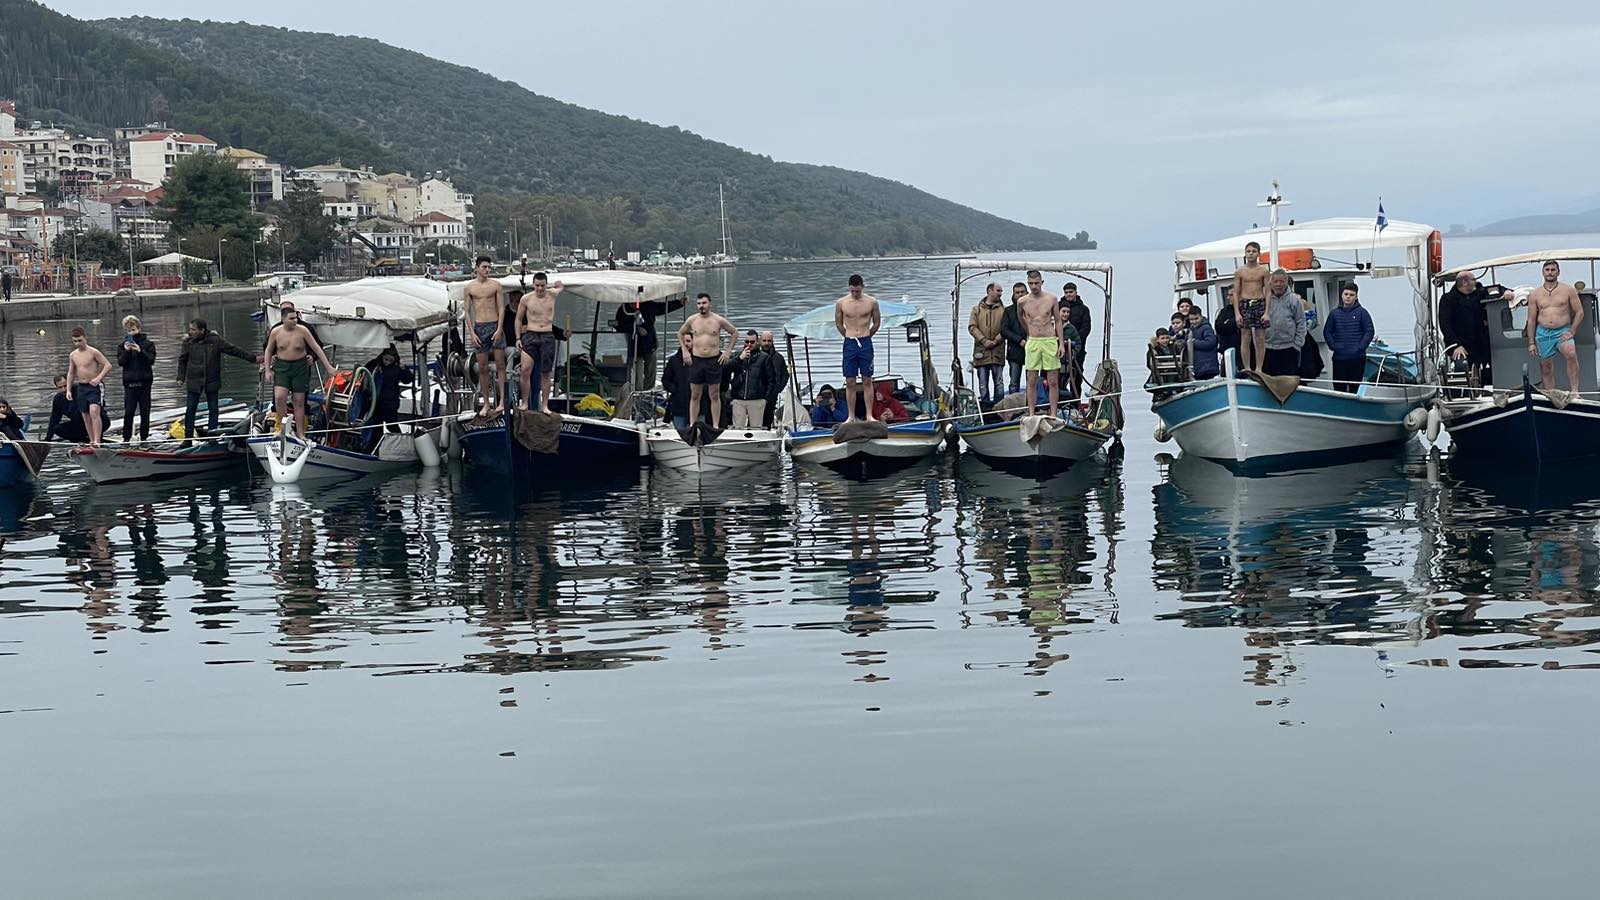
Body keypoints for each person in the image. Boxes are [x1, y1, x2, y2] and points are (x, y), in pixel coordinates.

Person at [177, 318, 261, 443]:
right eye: (190, 329)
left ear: (202, 330)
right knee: (190, 409)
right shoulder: (188, 342)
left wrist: (254, 359)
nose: (190, 332)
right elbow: (182, 360)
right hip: (194, 380)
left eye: (193, 330)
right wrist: (180, 377)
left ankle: (212, 436)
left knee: (213, 409)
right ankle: (187, 439)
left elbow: (234, 350)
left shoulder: (215, 341)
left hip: (211, 379)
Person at [265, 306, 334, 438]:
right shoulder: (276, 331)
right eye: (291, 318)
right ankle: (283, 428)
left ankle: (301, 433)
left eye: (296, 318)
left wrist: (328, 367)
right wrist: (268, 369)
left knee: (299, 401)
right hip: (282, 367)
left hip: (300, 367)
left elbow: (317, 348)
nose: (295, 321)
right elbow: (268, 350)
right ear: (283, 319)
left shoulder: (303, 330)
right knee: (279, 397)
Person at [677, 292, 740, 430]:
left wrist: (728, 352)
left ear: (710, 304)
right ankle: (693, 424)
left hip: (713, 360)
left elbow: (735, 333)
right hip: (697, 360)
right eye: (699, 303)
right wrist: (685, 351)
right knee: (695, 394)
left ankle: (715, 426)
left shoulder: (718, 320)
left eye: (704, 303)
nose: (701, 306)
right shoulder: (692, 320)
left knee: (714, 395)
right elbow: (680, 333)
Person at [1527, 259, 1585, 391]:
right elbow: (1531, 319)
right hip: (1543, 333)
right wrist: (1531, 343)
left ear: (1558, 272)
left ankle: (1575, 391)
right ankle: (1551, 394)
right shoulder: (1535, 294)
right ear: (1542, 272)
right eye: (1547, 270)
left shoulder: (1568, 290)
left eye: (1553, 270)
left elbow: (1580, 312)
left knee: (1571, 353)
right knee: (1546, 367)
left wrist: (1572, 331)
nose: (1550, 273)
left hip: (1562, 331)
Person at [515, 271, 565, 414]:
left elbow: (560, 288)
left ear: (546, 285)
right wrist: (518, 338)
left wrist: (559, 285)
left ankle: (545, 406)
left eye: (542, 286)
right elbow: (518, 319)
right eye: (537, 286)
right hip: (531, 334)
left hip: (547, 335)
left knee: (545, 372)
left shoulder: (552, 294)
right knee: (525, 369)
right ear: (533, 285)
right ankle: (525, 402)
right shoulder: (526, 299)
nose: (540, 289)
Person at [462, 255, 506, 415]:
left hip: (494, 324)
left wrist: (499, 328)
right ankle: (486, 403)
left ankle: (502, 401)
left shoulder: (495, 285)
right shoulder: (469, 288)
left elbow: (501, 308)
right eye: (484, 267)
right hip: (480, 326)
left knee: (500, 364)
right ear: (477, 268)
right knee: (482, 367)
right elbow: (467, 312)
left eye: (489, 267)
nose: (487, 270)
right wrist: (472, 333)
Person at [834, 274, 882, 423]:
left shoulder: (871, 302)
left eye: (858, 291)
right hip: (850, 342)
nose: (855, 294)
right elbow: (839, 324)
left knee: (867, 379)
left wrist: (867, 335)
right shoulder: (841, 303)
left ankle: (869, 415)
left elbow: (877, 323)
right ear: (849, 288)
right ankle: (851, 416)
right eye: (853, 291)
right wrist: (848, 336)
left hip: (865, 341)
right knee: (850, 380)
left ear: (862, 287)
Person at [1018, 269, 1065, 417]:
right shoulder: (1022, 301)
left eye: (1036, 283)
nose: (1034, 286)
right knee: (1031, 379)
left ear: (1041, 282)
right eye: (1031, 283)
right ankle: (1031, 413)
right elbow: (1021, 317)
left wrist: (1061, 343)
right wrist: (1028, 330)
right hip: (1034, 341)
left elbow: (1058, 321)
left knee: (1053, 380)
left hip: (1049, 340)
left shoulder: (1051, 299)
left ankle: (1053, 413)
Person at [1439, 270, 1495, 385]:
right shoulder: (1448, 299)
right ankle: (1462, 391)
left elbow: (1495, 291)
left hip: (1481, 343)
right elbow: (1445, 325)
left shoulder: (1478, 294)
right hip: (1461, 344)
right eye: (1473, 280)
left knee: (1495, 363)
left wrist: (1507, 292)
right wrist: (1456, 344)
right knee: (1461, 365)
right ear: (1465, 282)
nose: (1476, 282)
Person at [65, 326, 112, 447]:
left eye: (80, 340)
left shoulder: (93, 352)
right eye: (75, 341)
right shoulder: (73, 355)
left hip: (94, 386)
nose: (78, 343)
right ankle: (91, 440)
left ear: (85, 338)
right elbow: (71, 373)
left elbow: (107, 365)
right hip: (82, 387)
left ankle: (97, 440)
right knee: (85, 415)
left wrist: (98, 378)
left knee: (94, 411)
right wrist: (68, 390)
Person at [1324, 284, 1375, 393]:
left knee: (1354, 388)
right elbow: (1327, 331)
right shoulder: (1334, 314)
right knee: (1339, 388)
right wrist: (1333, 346)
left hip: (1357, 358)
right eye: (1346, 294)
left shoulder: (1362, 313)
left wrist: (1360, 347)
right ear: (1342, 295)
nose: (1348, 297)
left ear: (1356, 297)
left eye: (1351, 295)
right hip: (1339, 358)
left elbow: (1369, 331)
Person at [117, 314, 157, 442]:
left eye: (133, 330)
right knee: (129, 412)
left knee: (145, 412)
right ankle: (126, 438)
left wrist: (140, 351)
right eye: (129, 330)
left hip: (145, 382)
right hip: (130, 383)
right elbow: (121, 362)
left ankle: (144, 437)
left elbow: (151, 360)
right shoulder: (122, 346)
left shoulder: (148, 344)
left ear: (139, 328)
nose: (131, 333)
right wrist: (127, 351)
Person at [1232, 241, 1269, 372]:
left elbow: (1268, 292)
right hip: (1245, 304)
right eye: (1248, 251)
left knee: (1260, 338)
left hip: (1259, 302)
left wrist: (1267, 312)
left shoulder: (1264, 271)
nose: (1251, 254)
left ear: (1258, 253)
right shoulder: (1240, 271)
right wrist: (1237, 313)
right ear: (1245, 253)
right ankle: (1247, 367)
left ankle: (1259, 368)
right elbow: (1236, 292)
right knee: (1245, 337)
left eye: (1253, 251)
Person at [1261, 270, 1306, 377]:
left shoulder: (1294, 300)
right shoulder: (1263, 300)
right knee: (1269, 381)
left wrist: (1297, 345)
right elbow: (1256, 324)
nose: (1278, 284)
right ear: (1271, 282)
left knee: (1289, 381)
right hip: (1267, 349)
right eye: (1276, 281)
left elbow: (1301, 322)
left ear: (1286, 282)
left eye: (1281, 281)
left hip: (1289, 348)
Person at [969, 282, 1007, 404]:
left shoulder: (1004, 310)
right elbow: (972, 327)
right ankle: (985, 405)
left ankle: (999, 405)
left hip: (998, 351)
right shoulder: (977, 309)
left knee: (999, 382)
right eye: (998, 290)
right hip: (981, 352)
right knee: (982, 383)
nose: (1000, 293)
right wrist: (983, 340)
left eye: (1001, 291)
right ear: (990, 291)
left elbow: (1006, 328)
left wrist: (996, 341)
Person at [362, 345, 414, 432]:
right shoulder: (375, 364)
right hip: (376, 402)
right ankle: (377, 440)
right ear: (382, 356)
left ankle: (399, 438)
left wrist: (404, 368)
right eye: (386, 359)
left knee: (392, 425)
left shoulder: (397, 367)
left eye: (391, 360)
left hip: (390, 404)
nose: (388, 362)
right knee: (376, 427)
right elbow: (363, 372)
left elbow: (408, 380)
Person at [613, 296, 660, 391]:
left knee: (651, 370)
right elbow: (619, 326)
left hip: (650, 344)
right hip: (634, 346)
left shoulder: (648, 305)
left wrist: (678, 303)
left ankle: (649, 391)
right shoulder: (623, 310)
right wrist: (636, 329)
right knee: (637, 372)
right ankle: (638, 392)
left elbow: (662, 307)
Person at [727, 330, 770, 428]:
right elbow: (727, 369)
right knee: (737, 429)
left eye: (752, 342)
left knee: (756, 429)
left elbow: (771, 379)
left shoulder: (764, 357)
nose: (749, 344)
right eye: (747, 342)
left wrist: (766, 398)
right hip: (738, 397)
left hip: (757, 398)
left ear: (757, 342)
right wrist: (739, 359)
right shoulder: (737, 355)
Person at [1060, 282, 1092, 397]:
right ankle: (1060, 401)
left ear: (1076, 292)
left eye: (1071, 292)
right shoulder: (1058, 307)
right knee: (1060, 377)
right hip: (1060, 351)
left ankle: (1075, 402)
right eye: (1066, 292)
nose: (1068, 294)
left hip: (1077, 350)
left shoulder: (1084, 309)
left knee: (1077, 377)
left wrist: (1074, 342)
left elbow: (1086, 328)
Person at [662, 332, 696, 430]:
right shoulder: (673, 361)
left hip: (698, 406)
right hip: (678, 406)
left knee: (697, 433)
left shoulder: (700, 360)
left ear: (694, 342)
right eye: (683, 341)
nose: (686, 344)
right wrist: (675, 390)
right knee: (680, 432)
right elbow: (665, 380)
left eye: (688, 341)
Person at [1000, 282, 1028, 395]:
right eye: (1017, 292)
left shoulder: (1033, 308)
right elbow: (1004, 330)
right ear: (1013, 294)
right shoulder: (1009, 311)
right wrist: (1019, 340)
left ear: (1027, 293)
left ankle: (1031, 403)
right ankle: (1013, 403)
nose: (1020, 294)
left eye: (1022, 292)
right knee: (1014, 382)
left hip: (1031, 348)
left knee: (1032, 381)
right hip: (1014, 350)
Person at [758, 331, 788, 429]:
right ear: (760, 341)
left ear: (772, 342)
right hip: (756, 395)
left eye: (769, 341)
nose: (766, 343)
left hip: (771, 396)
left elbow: (785, 375)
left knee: (768, 420)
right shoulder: (755, 356)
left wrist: (778, 389)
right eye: (764, 341)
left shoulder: (778, 358)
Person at [1187, 307, 1219, 379]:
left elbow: (1210, 343)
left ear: (1201, 316)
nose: (1194, 321)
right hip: (1199, 367)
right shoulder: (1191, 329)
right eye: (1191, 319)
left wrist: (1193, 343)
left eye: (1196, 318)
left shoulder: (1206, 328)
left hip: (1208, 367)